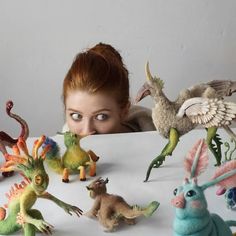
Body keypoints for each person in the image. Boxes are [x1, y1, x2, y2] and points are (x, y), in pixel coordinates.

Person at [62, 42, 155, 136]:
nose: (87, 131)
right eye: (76, 116)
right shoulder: (58, 147)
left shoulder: (155, 139)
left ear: (124, 112)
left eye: (101, 116)